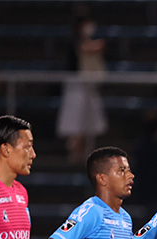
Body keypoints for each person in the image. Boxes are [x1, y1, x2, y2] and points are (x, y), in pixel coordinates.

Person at [56, 15, 108, 164]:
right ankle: (74, 152)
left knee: (89, 120)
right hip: (76, 85)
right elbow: (85, 49)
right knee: (75, 120)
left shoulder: (86, 40)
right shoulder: (74, 41)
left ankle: (86, 151)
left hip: (88, 85)